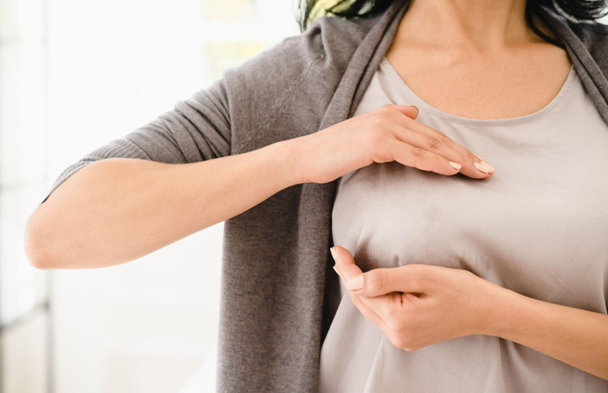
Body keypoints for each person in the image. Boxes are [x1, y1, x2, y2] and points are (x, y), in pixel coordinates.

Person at [24, 0, 608, 391]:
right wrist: (307, 153)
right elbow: (56, 234)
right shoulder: (304, 80)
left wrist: (494, 314)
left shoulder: (597, 72)